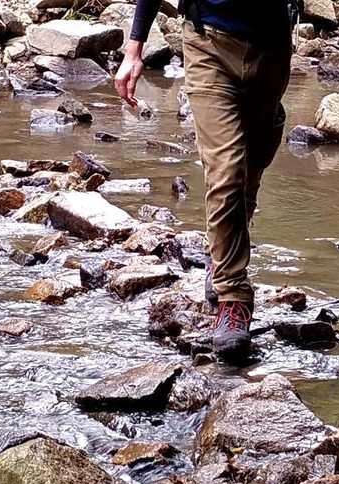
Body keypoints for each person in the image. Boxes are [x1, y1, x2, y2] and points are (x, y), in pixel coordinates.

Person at [116, 0, 298, 357]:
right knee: (227, 170)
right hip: (207, 42)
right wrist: (134, 49)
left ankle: (220, 254)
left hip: (272, 49)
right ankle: (234, 299)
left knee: (250, 172)